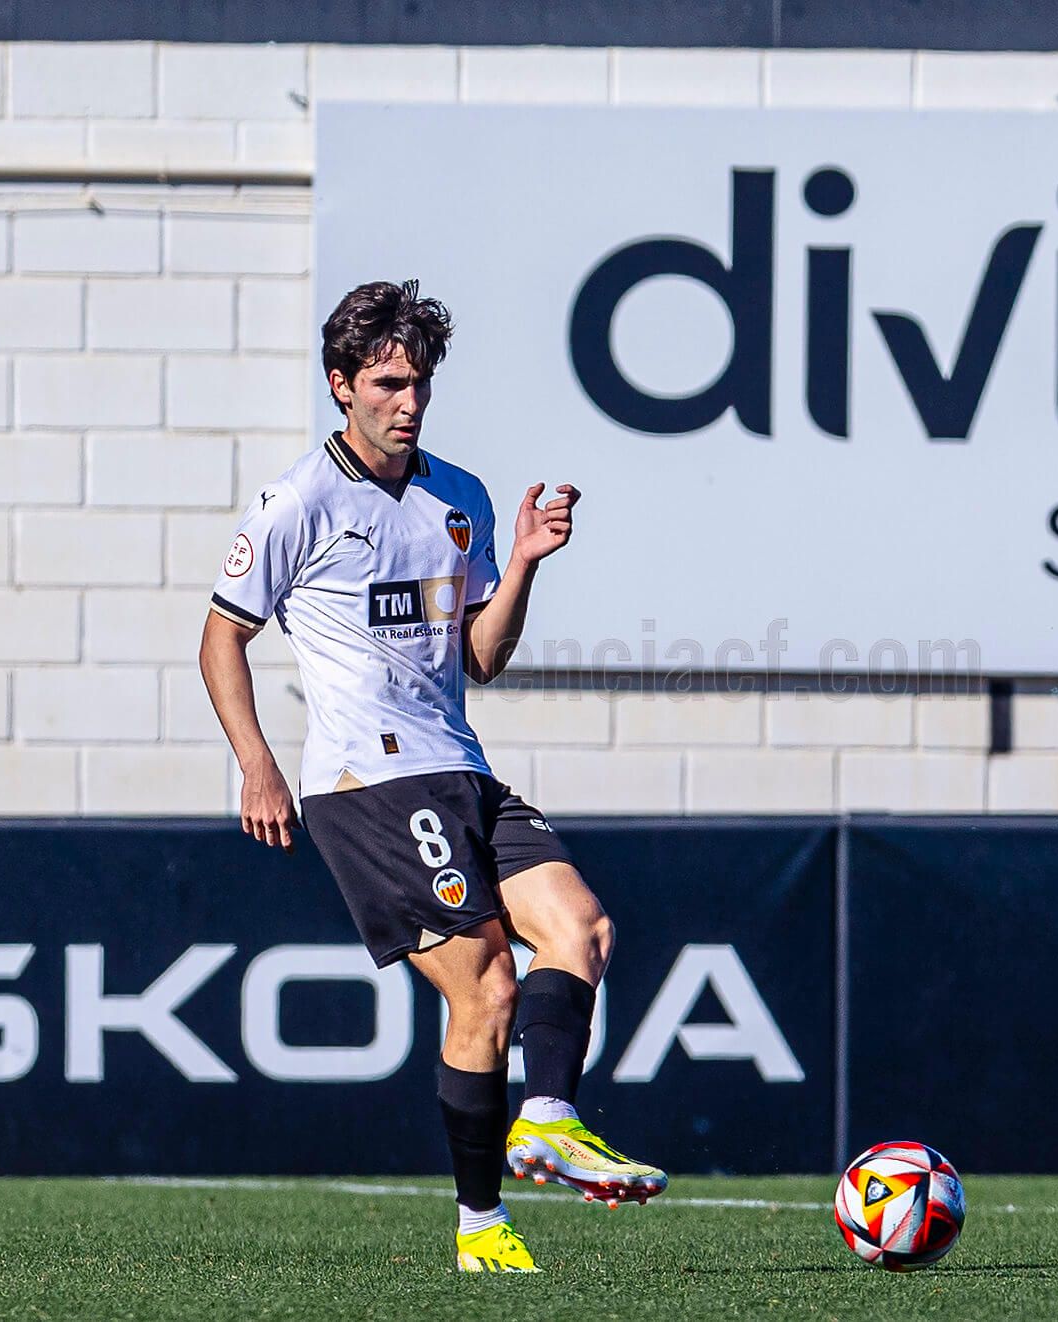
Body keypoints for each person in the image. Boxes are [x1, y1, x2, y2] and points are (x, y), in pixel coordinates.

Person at [198, 279, 665, 1273]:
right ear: (342, 386)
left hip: (459, 763)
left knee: (582, 929)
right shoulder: (298, 502)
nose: (408, 401)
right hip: (365, 782)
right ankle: (481, 1222)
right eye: (388, 382)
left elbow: (482, 656)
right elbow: (220, 637)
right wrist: (256, 765)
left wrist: (529, 561)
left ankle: (543, 1116)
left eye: (420, 383)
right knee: (488, 982)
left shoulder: (463, 494)